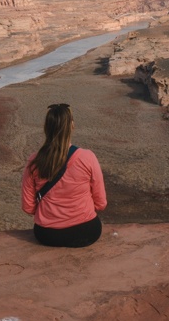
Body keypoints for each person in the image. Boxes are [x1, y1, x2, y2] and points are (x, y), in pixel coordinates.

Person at [21, 103, 107, 247]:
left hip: (47, 235)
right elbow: (101, 203)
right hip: (86, 232)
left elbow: (28, 207)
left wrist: (51, 215)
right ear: (71, 126)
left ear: (46, 128)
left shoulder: (34, 161)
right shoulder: (87, 157)